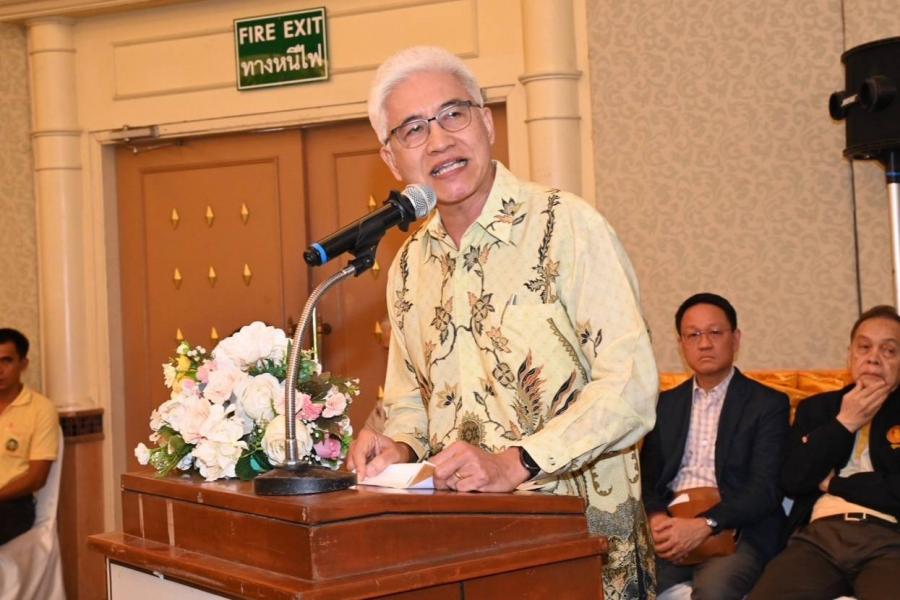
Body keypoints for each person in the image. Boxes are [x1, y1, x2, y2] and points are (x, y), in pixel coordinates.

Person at [346, 46, 659, 599]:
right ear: (392, 161)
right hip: (461, 550)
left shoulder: (567, 227)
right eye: (413, 129)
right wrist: (398, 447)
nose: (439, 141)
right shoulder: (409, 266)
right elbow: (411, 401)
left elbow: (629, 388)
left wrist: (518, 463)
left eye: (453, 114)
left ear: (487, 123)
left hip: (581, 546)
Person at [640, 293, 790, 599]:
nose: (704, 344)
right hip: (672, 529)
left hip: (737, 531)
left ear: (735, 339)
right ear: (681, 344)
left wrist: (705, 524)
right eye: (693, 335)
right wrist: (656, 519)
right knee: (624, 586)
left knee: (714, 592)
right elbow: (646, 479)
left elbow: (765, 489)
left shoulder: (767, 404)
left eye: (715, 332)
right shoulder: (664, 405)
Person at [749, 305, 900, 599]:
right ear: (850, 355)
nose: (873, 358)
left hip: (889, 538)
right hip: (818, 538)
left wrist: (834, 484)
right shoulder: (818, 409)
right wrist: (844, 423)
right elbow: (793, 479)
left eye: (889, 350)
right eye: (864, 347)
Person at [0, 328, 59, 545]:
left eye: (6, 361)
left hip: (13, 506)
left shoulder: (40, 409)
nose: (0, 369)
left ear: (23, 364)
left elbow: (37, 477)